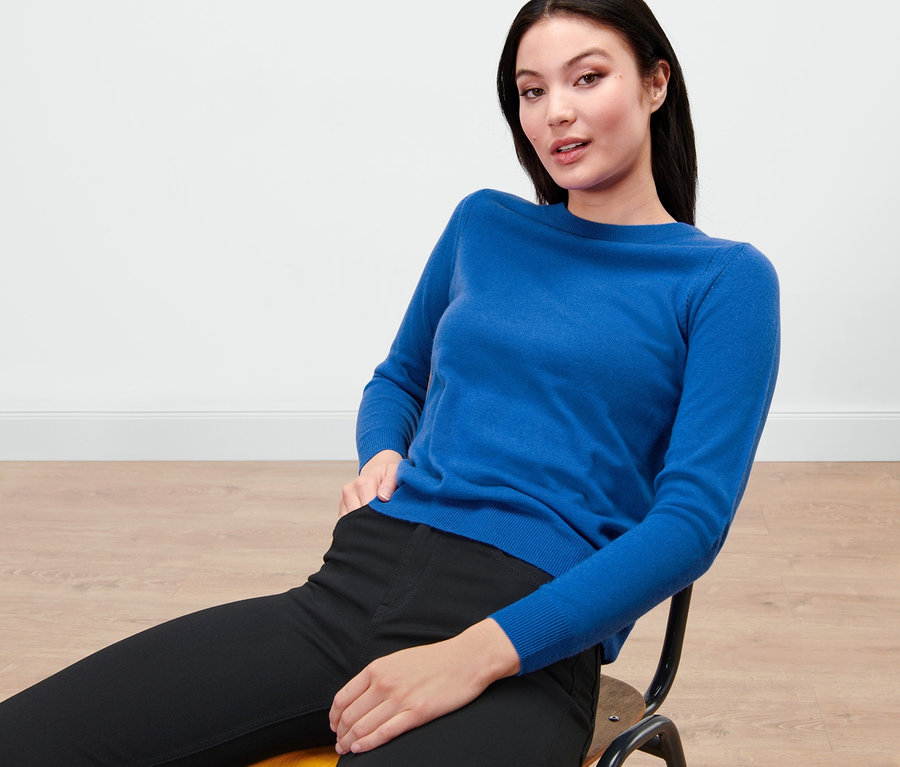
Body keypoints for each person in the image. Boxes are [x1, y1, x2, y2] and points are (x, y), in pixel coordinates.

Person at [0, 0, 779, 764]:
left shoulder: (724, 281)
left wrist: (475, 653)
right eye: (531, 90)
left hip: (527, 645)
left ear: (655, 83)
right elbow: (400, 379)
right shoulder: (485, 224)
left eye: (587, 78)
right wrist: (381, 453)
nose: (555, 113)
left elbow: (689, 524)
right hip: (351, 587)